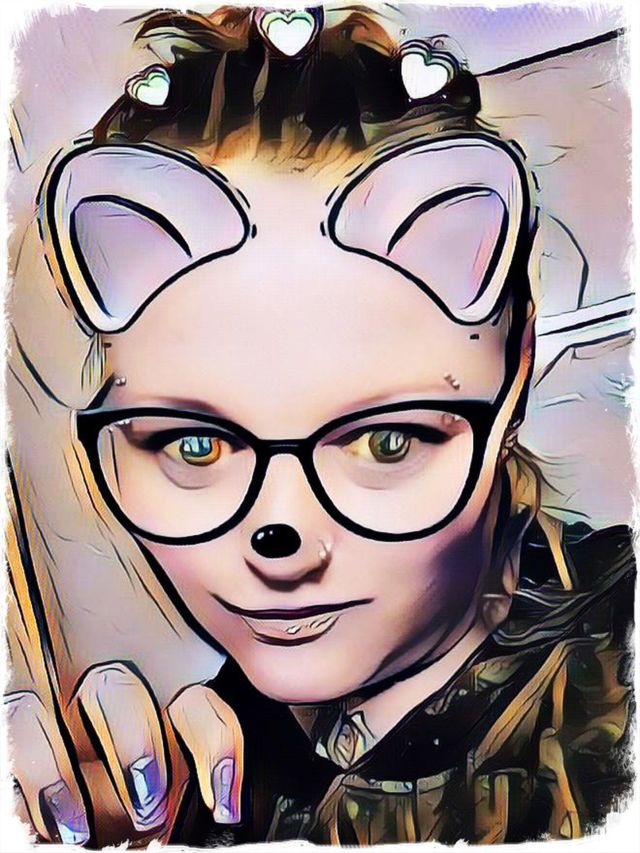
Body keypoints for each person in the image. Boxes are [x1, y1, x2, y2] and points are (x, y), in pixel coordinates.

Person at [6, 6, 634, 847]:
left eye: (386, 440)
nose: (283, 539)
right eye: (196, 444)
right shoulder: (194, 765)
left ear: (514, 380)